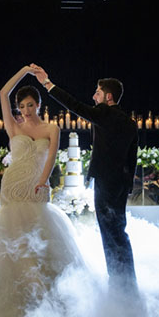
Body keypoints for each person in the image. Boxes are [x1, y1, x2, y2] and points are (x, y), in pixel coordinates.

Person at [0, 66, 82, 303]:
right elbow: (3, 93)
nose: (26, 110)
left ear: (38, 105)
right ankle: (14, 286)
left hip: (37, 186)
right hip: (13, 185)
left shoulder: (51, 129)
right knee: (12, 232)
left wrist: (43, 180)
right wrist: (25, 71)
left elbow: (51, 158)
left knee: (39, 233)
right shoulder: (14, 127)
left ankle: (45, 289)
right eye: (21, 106)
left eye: (30, 105)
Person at [33, 64, 139, 292]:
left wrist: (47, 84)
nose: (93, 97)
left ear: (108, 97)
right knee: (119, 231)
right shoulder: (130, 123)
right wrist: (127, 186)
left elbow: (74, 105)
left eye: (97, 93)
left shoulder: (104, 114)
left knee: (109, 233)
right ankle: (128, 281)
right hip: (121, 185)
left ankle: (118, 283)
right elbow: (132, 158)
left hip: (106, 183)